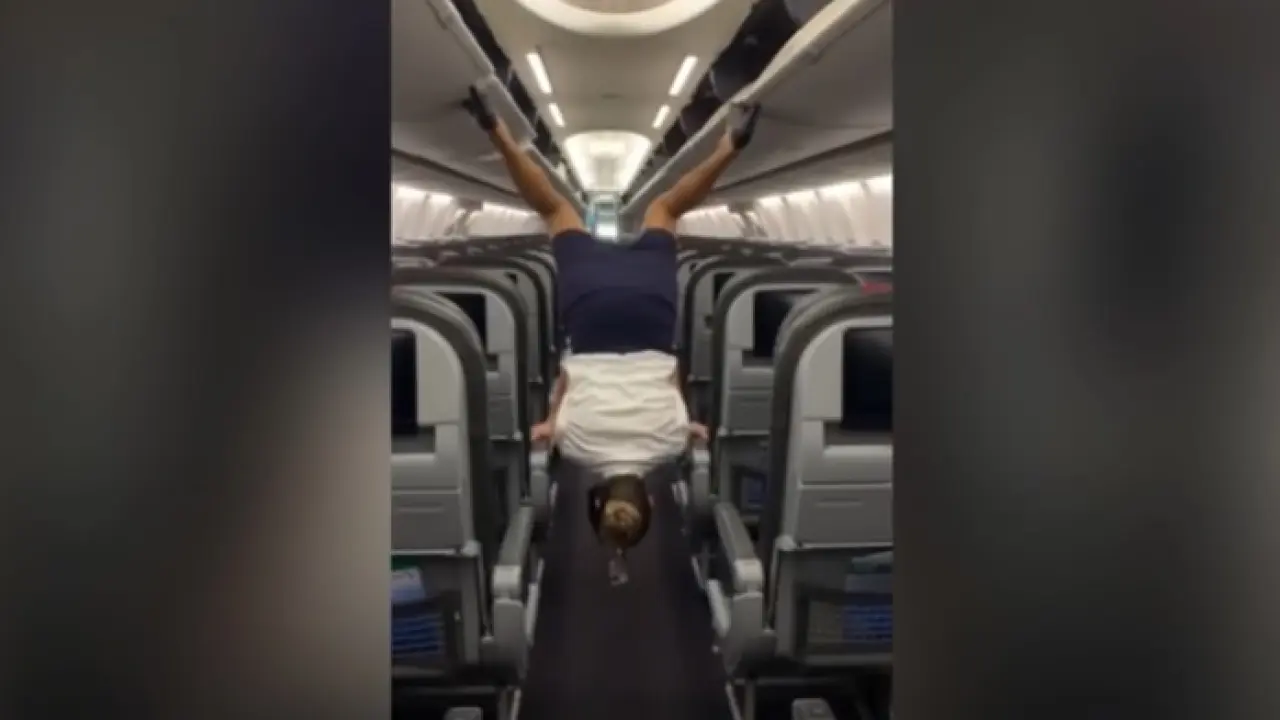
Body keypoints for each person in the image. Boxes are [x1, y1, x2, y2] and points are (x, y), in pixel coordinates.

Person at [463, 86, 757, 569]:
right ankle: (495, 130)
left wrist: (689, 424)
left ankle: (730, 146)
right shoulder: (574, 447)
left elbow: (671, 379)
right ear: (596, 499)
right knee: (556, 210)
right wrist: (550, 422)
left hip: (651, 315)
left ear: (651, 500)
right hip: (592, 314)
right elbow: (567, 380)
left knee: (665, 209)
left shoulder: (671, 441)